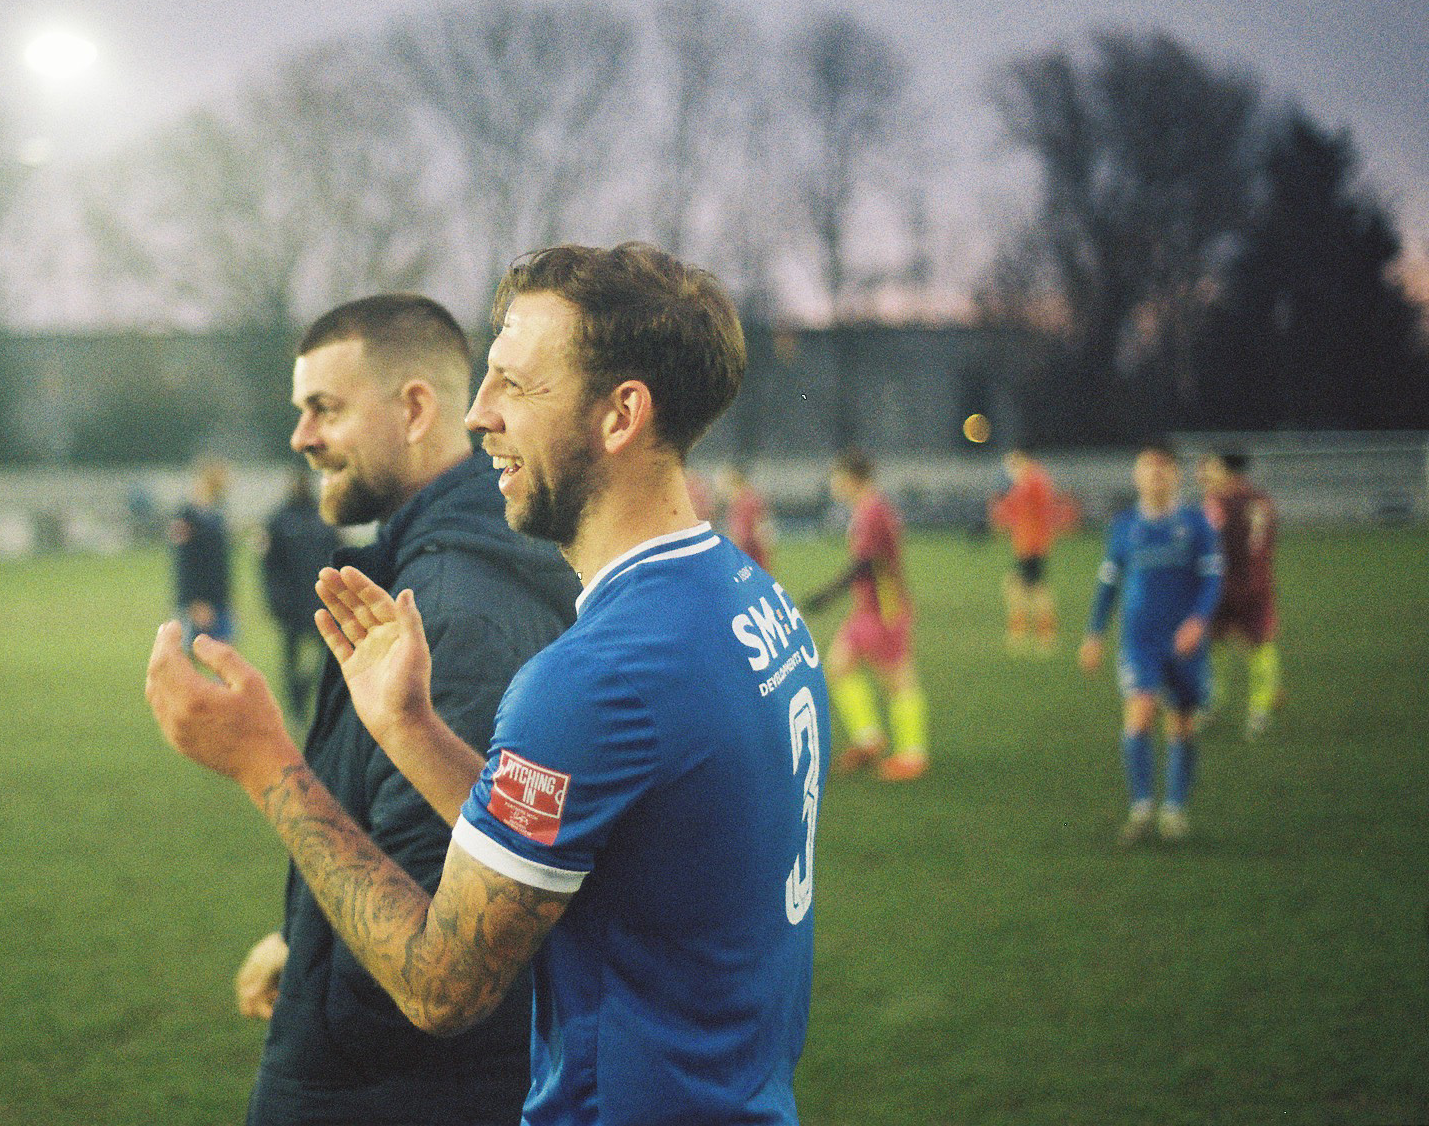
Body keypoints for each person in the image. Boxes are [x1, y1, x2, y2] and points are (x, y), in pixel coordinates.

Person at [145, 242, 829, 1126]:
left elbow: (442, 987)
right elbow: (571, 845)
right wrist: (411, 729)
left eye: (515, 385)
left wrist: (263, 764)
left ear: (620, 415)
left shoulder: (597, 676)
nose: (478, 415)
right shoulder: (748, 595)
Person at [181, 294, 576, 1126]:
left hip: (395, 1094)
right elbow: (406, 830)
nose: (301, 438)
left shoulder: (448, 610)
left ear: (415, 408)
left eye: (324, 408)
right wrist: (307, 943)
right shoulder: (425, 569)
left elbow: (446, 937)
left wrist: (261, 761)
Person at [1079, 441, 1224, 846]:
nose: (1156, 475)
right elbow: (1108, 583)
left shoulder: (1197, 525)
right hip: (1139, 642)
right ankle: (1141, 808)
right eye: (1148, 468)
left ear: (1176, 475)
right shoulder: (1124, 526)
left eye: (1164, 469)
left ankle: (1174, 810)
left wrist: (1198, 621)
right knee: (1140, 714)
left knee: (1181, 723)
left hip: (1185, 644)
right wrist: (1094, 634)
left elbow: (1213, 579)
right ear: (1137, 476)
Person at [802, 450, 930, 782]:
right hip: (867, 609)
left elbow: (865, 564)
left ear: (849, 479)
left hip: (885, 609)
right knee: (839, 668)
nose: (832, 483)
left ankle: (912, 755)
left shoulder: (873, 511)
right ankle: (869, 739)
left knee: (898, 681)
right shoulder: (867, 509)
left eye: (835, 477)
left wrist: (826, 595)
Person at [1198, 451, 1283, 739]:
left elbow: (1206, 544)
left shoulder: (1216, 503)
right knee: (1260, 645)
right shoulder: (1262, 500)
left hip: (1221, 586)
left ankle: (1210, 706)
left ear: (1227, 472)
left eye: (1209, 468)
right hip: (1258, 584)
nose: (1203, 475)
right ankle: (1259, 712)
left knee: (1213, 646)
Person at [258, 465, 342, 720]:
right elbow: (269, 566)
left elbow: (338, 554)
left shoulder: (324, 516)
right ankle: (295, 707)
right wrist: (275, 599)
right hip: (290, 604)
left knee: (329, 655)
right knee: (291, 658)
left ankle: (305, 693)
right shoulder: (278, 520)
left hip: (321, 602)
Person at [989, 448, 1072, 655]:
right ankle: (1031, 632)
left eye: (1012, 463)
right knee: (1024, 586)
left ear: (1022, 458)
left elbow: (1034, 509)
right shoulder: (1031, 480)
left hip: (1033, 543)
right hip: (1028, 543)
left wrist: (1001, 512)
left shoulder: (1032, 480)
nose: (1009, 468)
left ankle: (1038, 634)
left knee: (1028, 587)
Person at [167, 462, 233, 651]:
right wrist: (195, 601)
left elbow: (219, 565)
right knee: (187, 659)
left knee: (223, 657)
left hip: (219, 599)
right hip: (197, 603)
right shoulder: (186, 518)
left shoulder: (217, 516)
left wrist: (227, 599)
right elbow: (185, 563)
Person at [718, 462, 776, 573]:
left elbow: (742, 536)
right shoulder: (750, 497)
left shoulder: (742, 502)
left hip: (748, 558)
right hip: (756, 557)